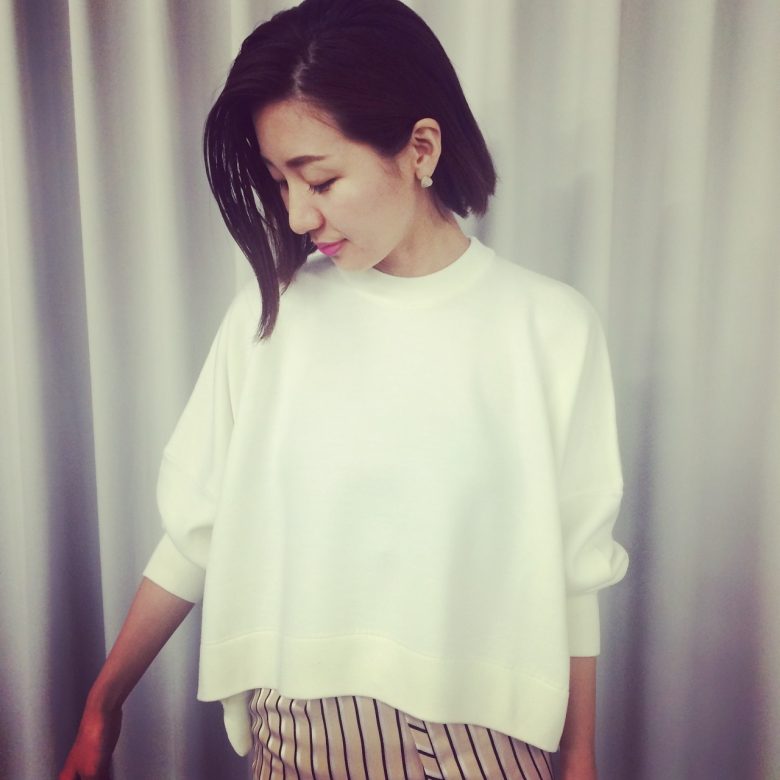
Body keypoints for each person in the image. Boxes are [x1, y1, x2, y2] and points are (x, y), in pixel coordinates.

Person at [60, 1, 629, 778]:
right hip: (299, 737)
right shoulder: (271, 320)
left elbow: (575, 567)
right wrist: (102, 706)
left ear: (421, 148)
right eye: (279, 182)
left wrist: (582, 755)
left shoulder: (552, 328)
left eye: (320, 179)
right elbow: (194, 530)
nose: (298, 215)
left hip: (487, 742)